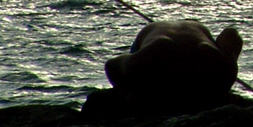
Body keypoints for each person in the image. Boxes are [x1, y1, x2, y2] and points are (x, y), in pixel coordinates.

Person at [104, 20, 243, 114]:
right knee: (231, 33)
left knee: (121, 64)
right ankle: (221, 89)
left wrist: (127, 93)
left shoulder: (146, 48)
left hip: (160, 52)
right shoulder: (196, 29)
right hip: (204, 61)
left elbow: (111, 66)